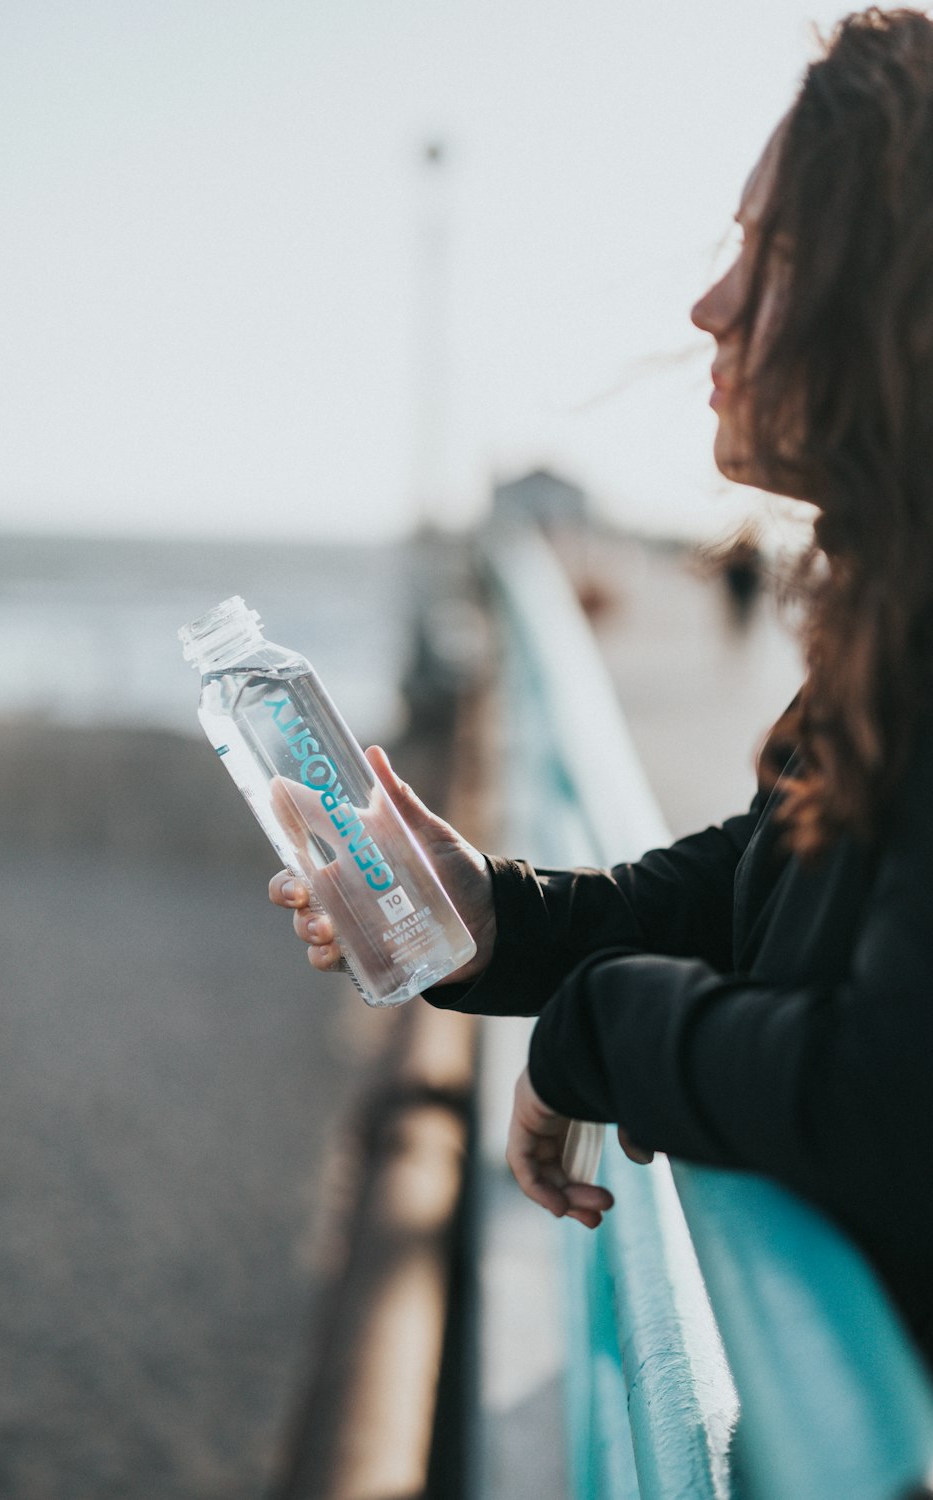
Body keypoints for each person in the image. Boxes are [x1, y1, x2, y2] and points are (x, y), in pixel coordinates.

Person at [270, 5, 933, 1366]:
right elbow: (763, 882)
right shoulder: (888, 616)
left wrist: (595, 1024)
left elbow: (887, 1093)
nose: (712, 305)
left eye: (779, 251)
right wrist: (494, 920)